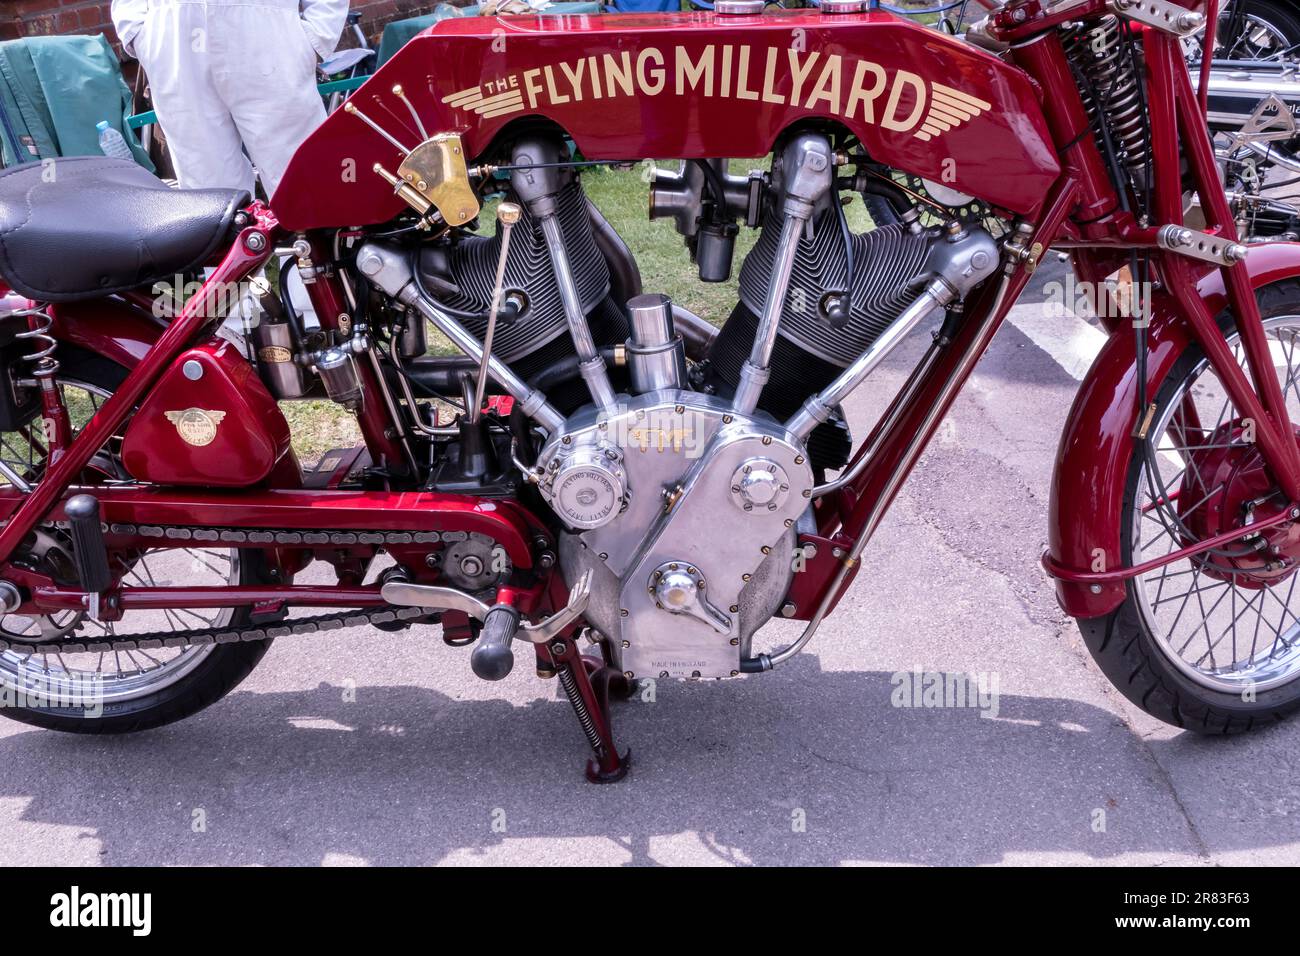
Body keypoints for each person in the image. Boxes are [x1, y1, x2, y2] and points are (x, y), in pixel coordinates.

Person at [110, 0, 349, 196]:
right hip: (174, 39)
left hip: (269, 32)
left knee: (302, 174)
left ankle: (315, 251)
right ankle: (237, 253)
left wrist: (316, 37)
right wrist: (138, 33)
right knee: (208, 188)